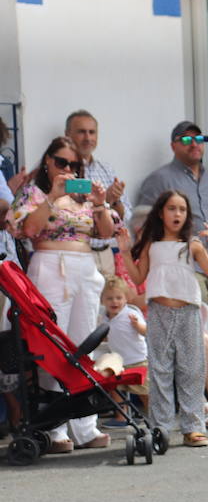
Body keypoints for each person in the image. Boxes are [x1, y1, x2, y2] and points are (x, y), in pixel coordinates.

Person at [8, 136, 117, 452]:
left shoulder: (83, 197)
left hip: (84, 265)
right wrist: (53, 196)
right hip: (50, 264)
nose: (68, 169)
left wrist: (100, 203)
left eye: (74, 164)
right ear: (48, 161)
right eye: (61, 162)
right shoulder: (34, 191)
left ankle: (85, 426)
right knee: (52, 345)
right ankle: (55, 429)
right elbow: (25, 230)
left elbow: (106, 234)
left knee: (85, 342)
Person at [125, 190, 208, 447]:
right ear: (161, 213)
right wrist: (125, 251)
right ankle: (162, 428)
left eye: (182, 209)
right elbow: (137, 278)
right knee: (160, 369)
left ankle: (193, 427)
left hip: (188, 311)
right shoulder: (152, 245)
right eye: (171, 208)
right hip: (158, 311)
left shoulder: (192, 245)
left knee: (191, 367)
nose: (177, 213)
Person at [136, 121, 208, 327]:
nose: (194, 144)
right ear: (173, 146)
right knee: (193, 327)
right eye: (186, 139)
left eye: (199, 139)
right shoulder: (159, 178)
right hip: (185, 267)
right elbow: (141, 221)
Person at [65, 110, 126, 279]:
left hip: (106, 254)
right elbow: (70, 216)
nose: (87, 138)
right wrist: (104, 201)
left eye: (92, 132)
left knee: (108, 305)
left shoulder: (106, 169)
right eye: (81, 132)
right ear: (67, 134)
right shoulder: (60, 169)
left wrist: (115, 201)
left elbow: (123, 218)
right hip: (75, 255)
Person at [98, 277, 148, 411]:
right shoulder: (104, 317)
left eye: (119, 298)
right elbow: (108, 336)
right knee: (116, 390)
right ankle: (121, 417)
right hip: (118, 362)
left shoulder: (131, 313)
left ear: (126, 299)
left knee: (144, 391)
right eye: (109, 298)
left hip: (137, 360)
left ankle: (154, 415)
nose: (114, 301)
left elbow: (146, 332)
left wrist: (137, 326)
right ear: (102, 300)